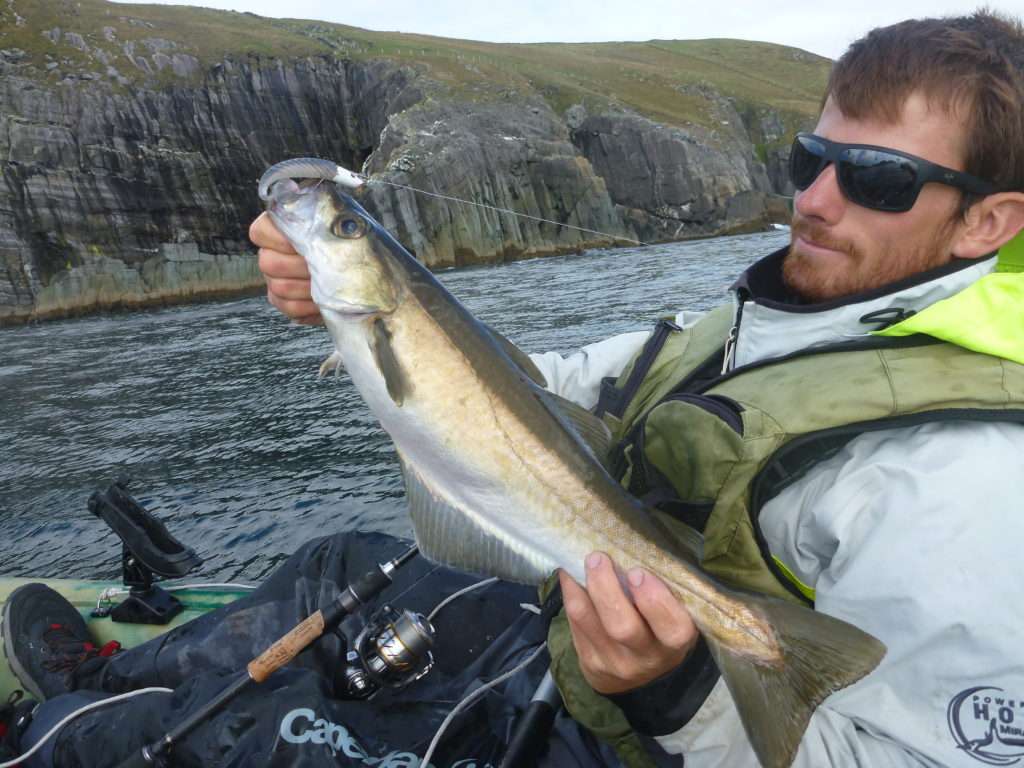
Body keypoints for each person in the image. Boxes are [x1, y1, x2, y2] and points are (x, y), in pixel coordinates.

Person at [3, 9, 1024, 768]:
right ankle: (101, 676)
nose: (812, 199)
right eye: (811, 158)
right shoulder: (782, 315)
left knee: (215, 737)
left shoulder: (967, 486)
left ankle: (80, 722)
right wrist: (348, 309)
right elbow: (530, 390)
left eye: (877, 181)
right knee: (334, 565)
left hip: (639, 734)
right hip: (574, 622)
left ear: (987, 224)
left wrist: (677, 690)